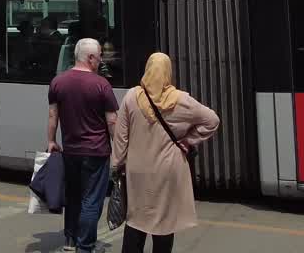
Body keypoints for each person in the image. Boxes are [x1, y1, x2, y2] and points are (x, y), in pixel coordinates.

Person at [112, 53, 219, 253]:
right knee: (164, 223)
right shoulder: (180, 100)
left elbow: (120, 137)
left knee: (136, 220)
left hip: (138, 170)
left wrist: (117, 164)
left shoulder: (131, 97)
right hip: (168, 171)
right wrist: (189, 140)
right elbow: (212, 120)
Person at [47, 38, 118, 253]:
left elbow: (52, 115)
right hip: (96, 152)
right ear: (90, 58)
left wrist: (51, 141)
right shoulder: (101, 84)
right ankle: (85, 246)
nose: (100, 61)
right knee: (91, 200)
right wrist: (119, 150)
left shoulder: (58, 82)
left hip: (70, 151)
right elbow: (112, 121)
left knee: (73, 197)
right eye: (98, 57)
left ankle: (70, 241)